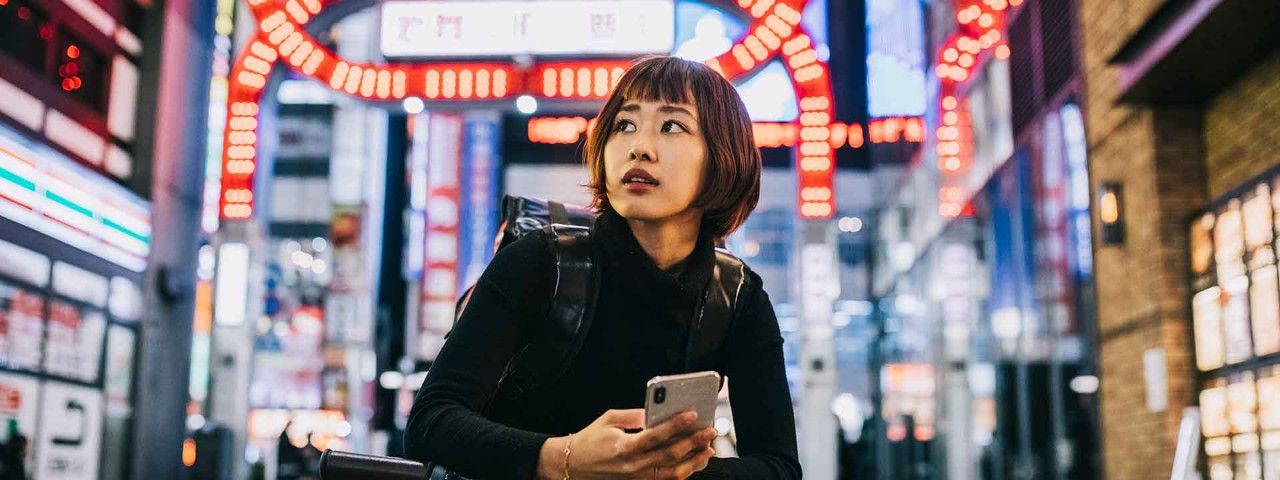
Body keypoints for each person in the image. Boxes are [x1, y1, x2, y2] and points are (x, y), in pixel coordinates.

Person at [405, 55, 800, 480]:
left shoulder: (738, 296)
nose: (639, 146)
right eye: (624, 125)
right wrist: (564, 457)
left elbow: (778, 467)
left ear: (723, 157)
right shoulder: (540, 262)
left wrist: (658, 472)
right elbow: (431, 422)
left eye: (672, 126)